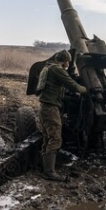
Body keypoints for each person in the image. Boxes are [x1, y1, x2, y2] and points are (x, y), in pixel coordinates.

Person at [36, 49, 87, 181]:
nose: (68, 64)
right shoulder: (57, 70)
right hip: (50, 109)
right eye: (68, 61)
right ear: (64, 61)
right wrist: (84, 89)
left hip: (45, 107)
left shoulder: (48, 68)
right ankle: (49, 172)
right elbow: (72, 84)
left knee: (48, 138)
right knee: (55, 139)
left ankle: (44, 166)